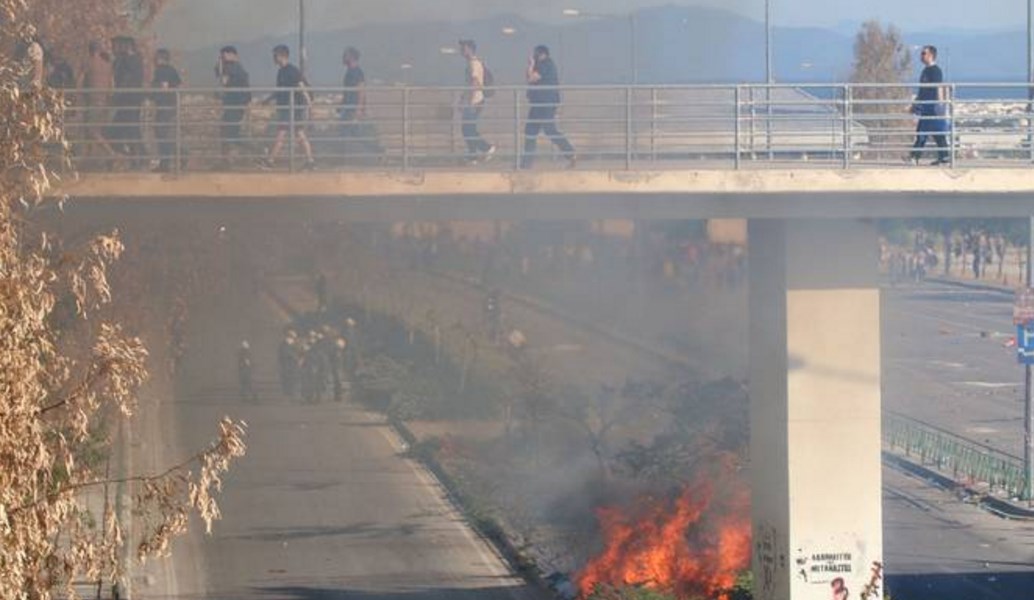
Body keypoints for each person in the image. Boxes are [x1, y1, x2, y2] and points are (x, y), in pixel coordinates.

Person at [260, 45, 315, 170]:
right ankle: (310, 161)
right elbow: (280, 90)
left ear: (281, 56)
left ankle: (270, 161)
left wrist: (309, 105)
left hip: (292, 108)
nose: (273, 58)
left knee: (282, 133)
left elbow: (301, 86)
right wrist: (268, 100)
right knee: (299, 134)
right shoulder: (281, 71)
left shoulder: (291, 70)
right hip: (289, 108)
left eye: (275, 55)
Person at [521, 45, 576, 169]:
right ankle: (526, 163)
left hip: (545, 104)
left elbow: (531, 78)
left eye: (536, 54)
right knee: (530, 131)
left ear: (542, 54)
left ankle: (570, 153)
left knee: (549, 130)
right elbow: (529, 77)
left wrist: (531, 65)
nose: (534, 56)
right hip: (538, 104)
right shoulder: (541, 65)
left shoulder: (546, 64)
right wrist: (531, 66)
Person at [339, 46, 382, 161]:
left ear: (352, 57)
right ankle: (376, 150)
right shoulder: (349, 72)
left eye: (346, 55)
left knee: (352, 132)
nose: (343, 57)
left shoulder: (357, 72)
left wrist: (359, 109)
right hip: (348, 108)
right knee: (350, 132)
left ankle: (377, 150)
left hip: (353, 108)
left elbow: (361, 90)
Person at [909, 45, 949, 166]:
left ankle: (942, 157)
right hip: (925, 107)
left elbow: (938, 87)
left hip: (933, 107)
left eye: (923, 53)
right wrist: (915, 105)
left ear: (931, 55)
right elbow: (922, 91)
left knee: (935, 132)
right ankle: (916, 156)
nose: (921, 56)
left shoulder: (935, 71)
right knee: (923, 131)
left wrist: (941, 105)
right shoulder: (925, 71)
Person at [458, 39, 495, 164]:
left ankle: (486, 148)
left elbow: (474, 83)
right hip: (473, 100)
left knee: (467, 129)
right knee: (469, 129)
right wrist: (463, 99)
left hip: (475, 101)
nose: (461, 50)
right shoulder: (472, 63)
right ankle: (473, 156)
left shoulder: (474, 64)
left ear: (470, 49)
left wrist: (468, 102)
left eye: (463, 48)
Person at [110, 36, 145, 165]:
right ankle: (136, 158)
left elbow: (127, 79)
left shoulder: (132, 60)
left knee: (130, 130)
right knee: (125, 130)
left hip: (130, 100)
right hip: (125, 100)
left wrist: (117, 94)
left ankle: (138, 159)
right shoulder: (124, 60)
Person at [81, 40, 117, 162]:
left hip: (93, 101)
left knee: (92, 131)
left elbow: (78, 82)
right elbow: (112, 85)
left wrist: (76, 97)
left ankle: (112, 153)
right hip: (105, 101)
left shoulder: (88, 63)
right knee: (91, 131)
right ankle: (88, 159)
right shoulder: (107, 65)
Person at [216, 46, 251, 164]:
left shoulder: (233, 67)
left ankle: (256, 148)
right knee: (227, 131)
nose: (223, 58)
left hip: (235, 104)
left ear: (232, 54)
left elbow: (223, 81)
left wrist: (221, 65)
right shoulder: (238, 67)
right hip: (235, 104)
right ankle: (226, 159)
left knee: (231, 133)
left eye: (224, 55)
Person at [151, 49, 183, 172]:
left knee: (161, 133)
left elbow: (163, 88)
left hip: (164, 106)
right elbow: (178, 84)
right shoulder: (172, 69)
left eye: (155, 57)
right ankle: (180, 155)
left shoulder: (161, 71)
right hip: (171, 105)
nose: (153, 60)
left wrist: (152, 94)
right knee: (162, 133)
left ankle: (166, 162)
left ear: (160, 58)